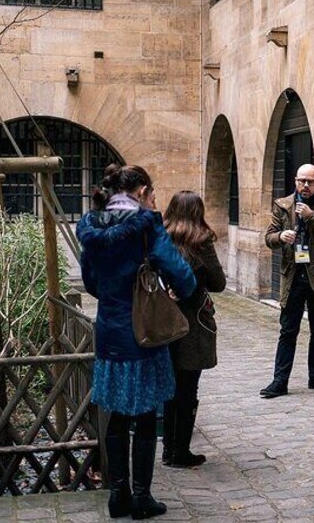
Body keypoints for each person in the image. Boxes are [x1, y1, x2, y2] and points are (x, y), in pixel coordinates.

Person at [77, 165, 196, 520]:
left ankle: (118, 496)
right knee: (144, 415)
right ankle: (142, 498)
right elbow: (180, 273)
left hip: (110, 330)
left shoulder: (93, 226)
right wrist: (179, 288)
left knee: (115, 415)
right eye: (152, 192)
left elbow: (90, 281)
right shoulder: (146, 225)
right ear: (142, 191)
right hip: (143, 331)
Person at [260, 163, 314, 398]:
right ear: (295, 181)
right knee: (288, 330)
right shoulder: (283, 205)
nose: (305, 185)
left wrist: (311, 216)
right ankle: (280, 381)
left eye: (311, 182)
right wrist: (280, 236)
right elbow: (268, 237)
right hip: (293, 276)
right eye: (302, 181)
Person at [162, 191, 226, 468]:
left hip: (161, 320)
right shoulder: (201, 242)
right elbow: (219, 282)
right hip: (191, 322)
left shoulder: (160, 239)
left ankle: (168, 449)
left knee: (170, 387)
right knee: (188, 388)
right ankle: (180, 452)